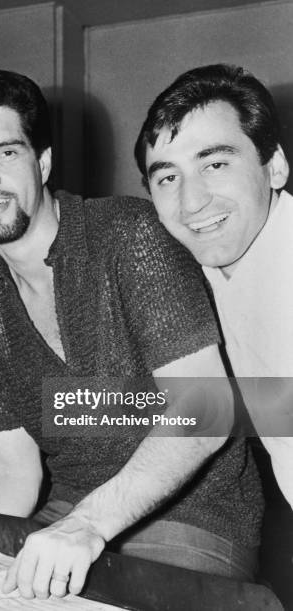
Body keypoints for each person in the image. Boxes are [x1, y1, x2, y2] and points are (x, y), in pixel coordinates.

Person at [0, 69, 262, 599]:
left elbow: (206, 411)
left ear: (43, 162)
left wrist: (87, 525)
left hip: (194, 516)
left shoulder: (130, 235)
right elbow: (14, 472)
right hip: (68, 517)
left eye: (6, 153)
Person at [135, 63, 293, 509]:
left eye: (216, 163)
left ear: (275, 166)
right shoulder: (206, 269)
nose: (192, 201)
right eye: (167, 178)